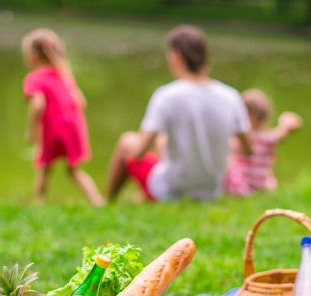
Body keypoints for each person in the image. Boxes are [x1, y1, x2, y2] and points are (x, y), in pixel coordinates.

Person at [106, 25, 251, 202]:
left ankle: (107, 201)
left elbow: (138, 153)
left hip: (171, 191)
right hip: (213, 192)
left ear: (176, 56)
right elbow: (247, 149)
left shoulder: (166, 95)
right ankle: (138, 198)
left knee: (127, 141)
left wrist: (159, 144)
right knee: (164, 143)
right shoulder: (231, 96)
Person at [22, 28, 104, 206]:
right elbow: (81, 102)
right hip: (73, 127)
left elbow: (38, 104)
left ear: (33, 55)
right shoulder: (64, 74)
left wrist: (32, 130)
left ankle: (38, 204)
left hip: (52, 129)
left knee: (44, 169)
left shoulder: (34, 78)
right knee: (73, 170)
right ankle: (98, 201)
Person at [224, 89, 302, 196]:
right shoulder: (269, 137)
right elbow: (291, 126)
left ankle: (243, 192)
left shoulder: (245, 137)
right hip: (261, 180)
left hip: (243, 181)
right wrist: (286, 121)